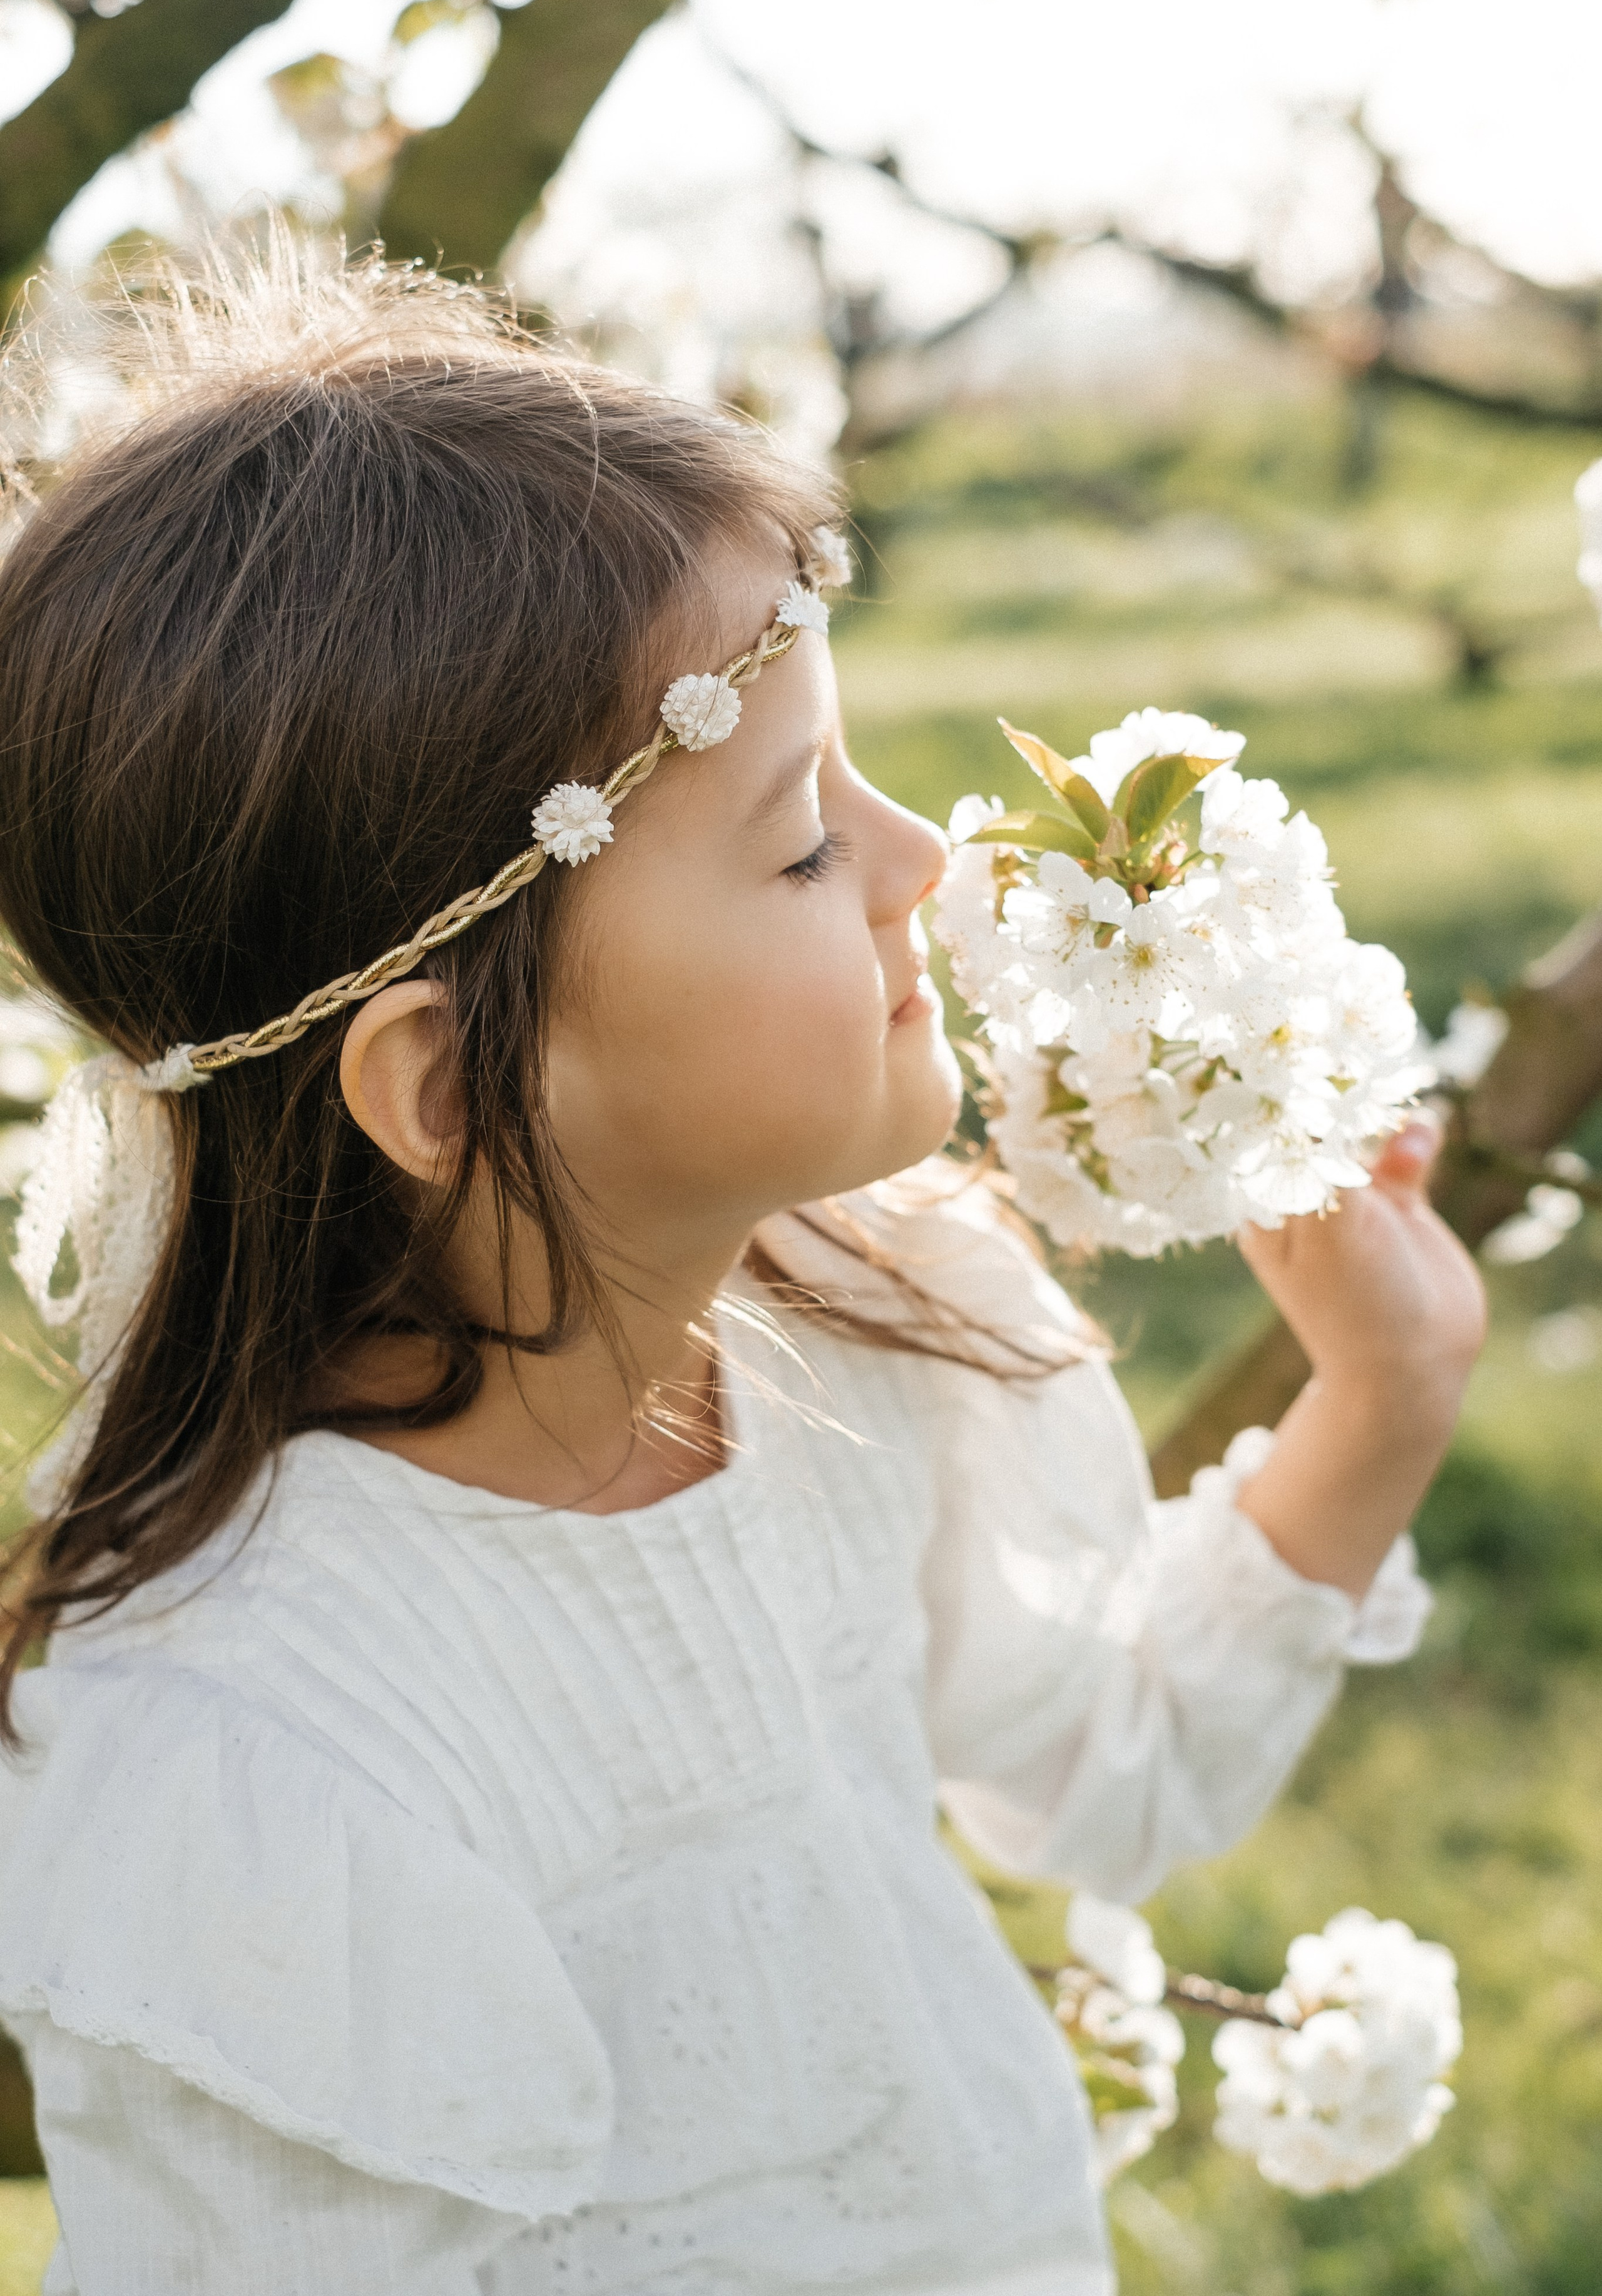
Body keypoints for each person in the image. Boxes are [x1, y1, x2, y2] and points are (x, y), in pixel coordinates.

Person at [0, 248, 1484, 2296]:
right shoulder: (266, 1755)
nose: (924, 866)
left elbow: (1103, 1770)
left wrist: (1386, 1397)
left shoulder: (865, 1335)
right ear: (443, 1074)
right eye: (800, 840)